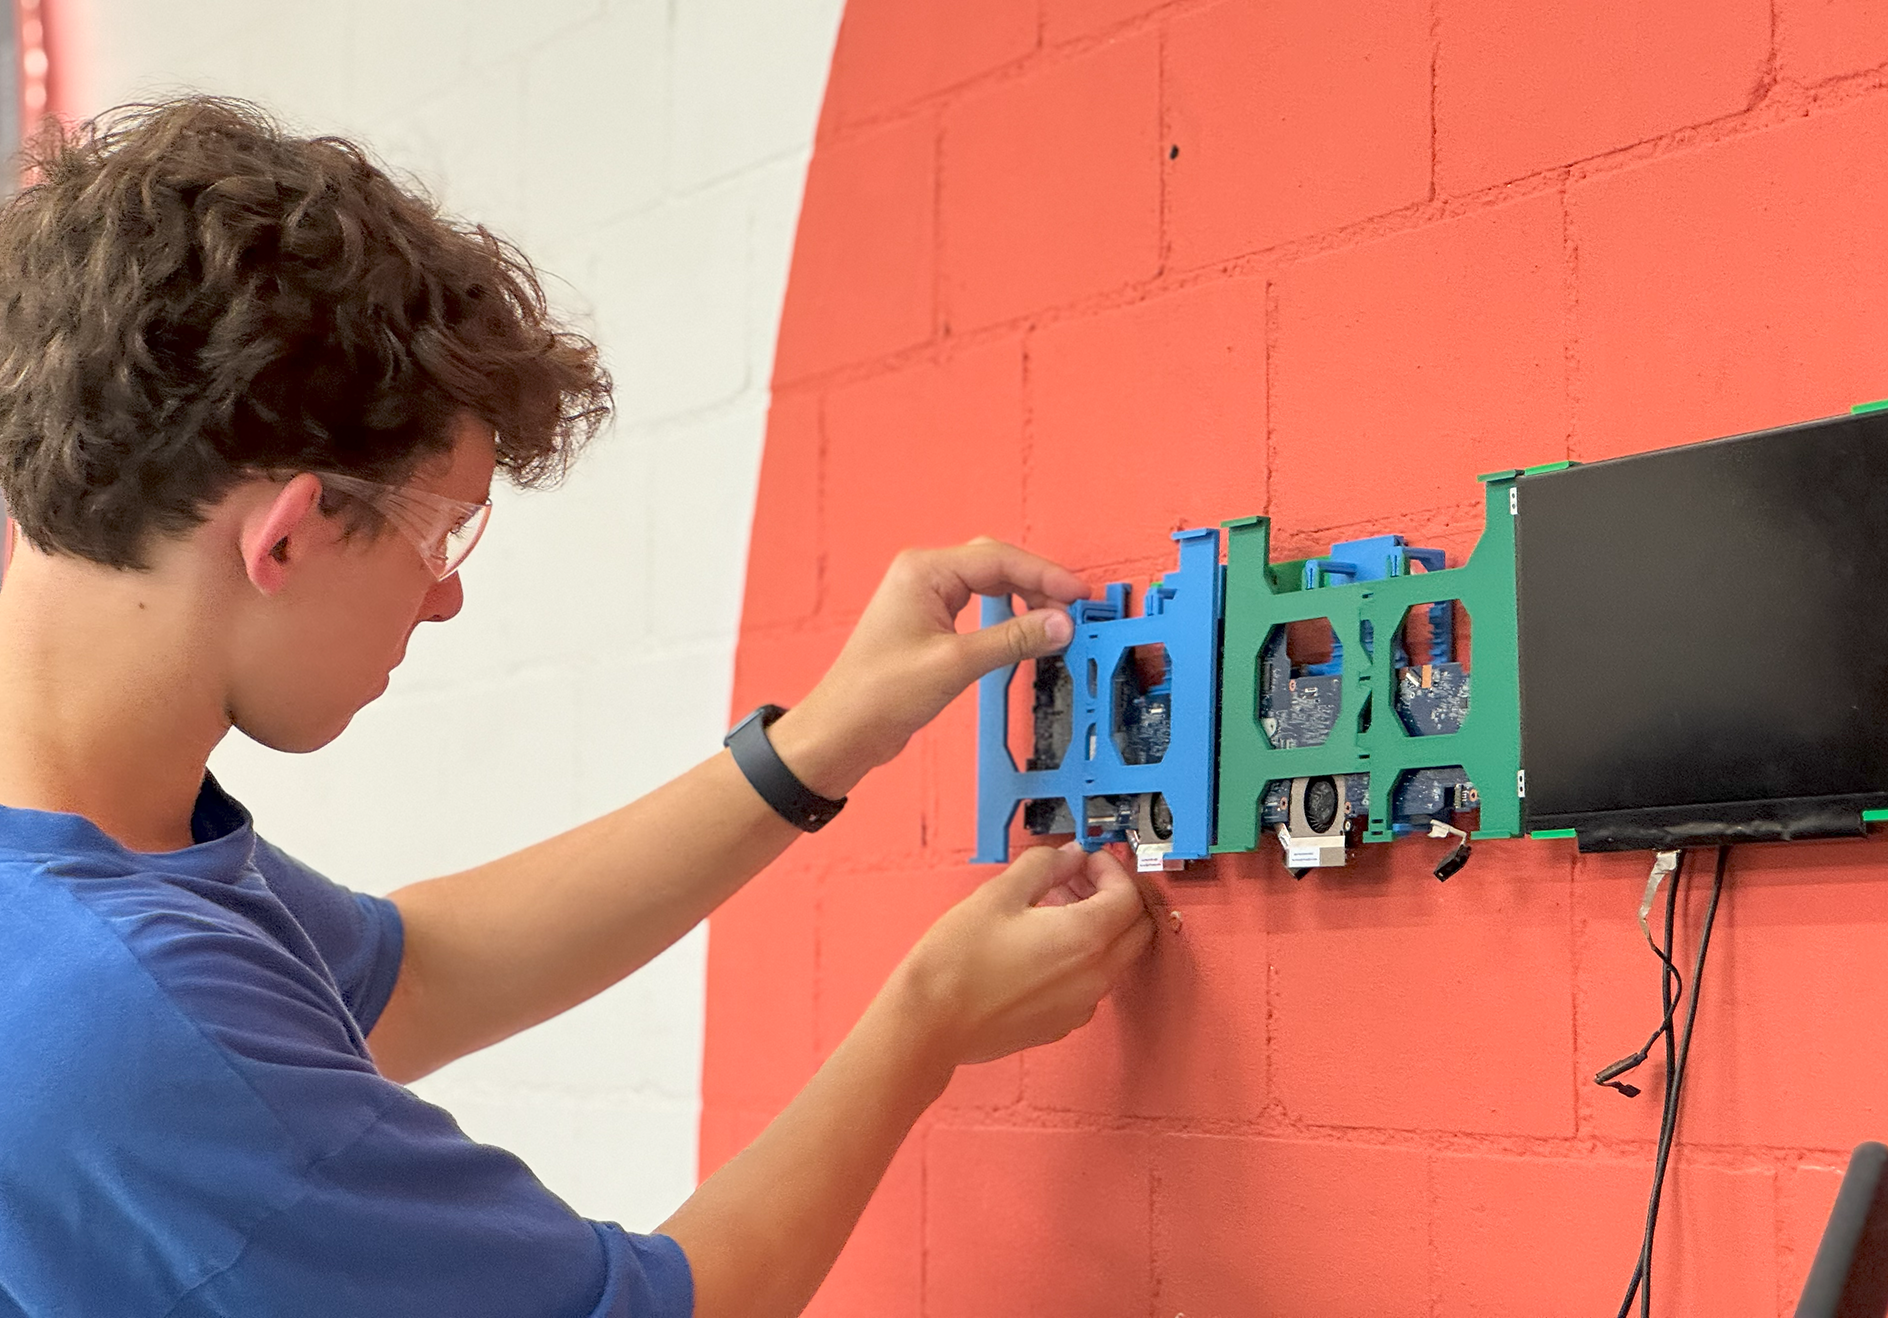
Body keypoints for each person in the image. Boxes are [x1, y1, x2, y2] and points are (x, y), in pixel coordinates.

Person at [0, 98, 1154, 1318]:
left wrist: (819, 743)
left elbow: (419, 977)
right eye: (440, 533)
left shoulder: (103, 865)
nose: (445, 597)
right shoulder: (122, 1013)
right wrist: (924, 1024)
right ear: (285, 537)